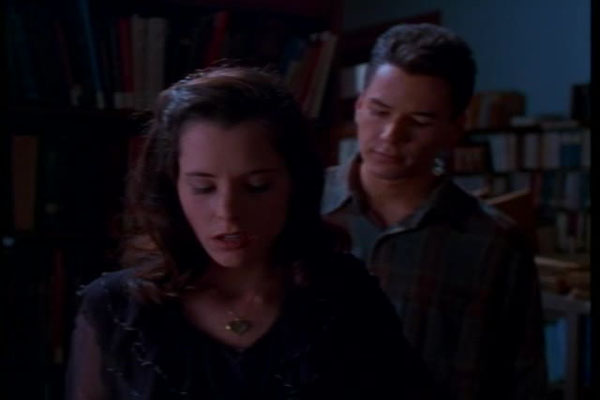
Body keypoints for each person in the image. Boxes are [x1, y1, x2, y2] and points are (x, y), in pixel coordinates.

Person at [65, 66, 439, 399]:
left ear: (295, 184)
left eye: (257, 186)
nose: (228, 212)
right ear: (172, 187)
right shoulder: (115, 308)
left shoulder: (346, 295)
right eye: (203, 187)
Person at [322, 24, 547, 400]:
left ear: (455, 128)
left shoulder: (494, 243)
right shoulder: (295, 205)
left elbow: (523, 380)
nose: (391, 135)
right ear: (359, 106)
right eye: (379, 111)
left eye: (421, 121)